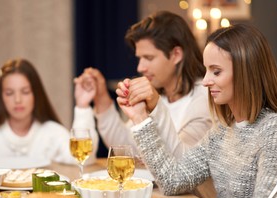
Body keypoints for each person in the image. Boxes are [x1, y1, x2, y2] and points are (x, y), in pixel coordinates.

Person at [117, 24, 277, 198]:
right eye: (207, 70)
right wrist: (140, 119)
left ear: (247, 71)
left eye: (216, 71)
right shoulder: (221, 131)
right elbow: (173, 181)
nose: (206, 81)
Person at [74, 11, 212, 158]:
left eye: (149, 57)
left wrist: (155, 106)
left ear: (176, 55)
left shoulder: (204, 98)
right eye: (140, 58)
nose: (140, 68)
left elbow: (182, 165)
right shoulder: (159, 95)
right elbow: (125, 147)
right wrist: (101, 97)